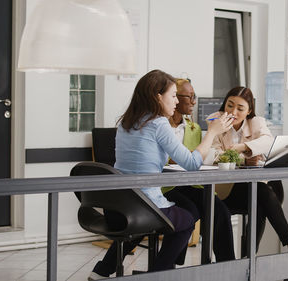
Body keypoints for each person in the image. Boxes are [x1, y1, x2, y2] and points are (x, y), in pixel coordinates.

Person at [88, 70, 232, 280]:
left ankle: (101, 271)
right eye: (173, 95)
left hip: (119, 204)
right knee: (187, 220)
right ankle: (157, 275)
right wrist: (211, 133)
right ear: (157, 96)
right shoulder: (158, 123)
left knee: (151, 223)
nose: (175, 102)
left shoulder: (126, 123)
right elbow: (192, 163)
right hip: (144, 204)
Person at [206, 86, 288, 254]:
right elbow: (214, 155)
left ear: (249, 110)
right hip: (227, 191)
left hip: (258, 189)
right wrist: (244, 158)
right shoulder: (215, 120)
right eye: (230, 105)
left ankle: (248, 261)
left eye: (240, 108)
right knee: (260, 194)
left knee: (259, 197)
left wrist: (241, 147)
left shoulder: (256, 122)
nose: (233, 112)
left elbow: (268, 141)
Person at [163, 78, 236, 262]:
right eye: (190, 96)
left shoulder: (194, 128)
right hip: (165, 186)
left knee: (219, 210)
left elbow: (197, 158)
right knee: (190, 212)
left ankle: (227, 266)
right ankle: (169, 263)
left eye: (194, 96)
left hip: (188, 184)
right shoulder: (160, 126)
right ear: (175, 98)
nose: (194, 101)